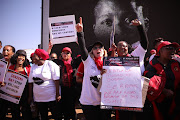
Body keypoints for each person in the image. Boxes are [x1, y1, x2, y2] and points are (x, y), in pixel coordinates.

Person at [110, 19, 148, 120]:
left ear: (128, 48)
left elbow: (144, 43)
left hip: (139, 94)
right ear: (116, 49)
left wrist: (140, 27)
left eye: (125, 46)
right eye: (120, 46)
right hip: (123, 97)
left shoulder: (135, 56)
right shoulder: (114, 62)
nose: (123, 48)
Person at [76, 17, 111, 120]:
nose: (97, 49)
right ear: (92, 51)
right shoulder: (88, 62)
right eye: (95, 48)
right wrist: (80, 33)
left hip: (104, 102)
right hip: (89, 102)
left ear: (103, 50)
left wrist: (108, 73)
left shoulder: (109, 63)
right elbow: (83, 48)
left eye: (100, 47)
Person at [143, 41, 180, 120]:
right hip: (158, 103)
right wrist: (164, 90)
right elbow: (148, 83)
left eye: (174, 49)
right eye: (169, 48)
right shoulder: (152, 65)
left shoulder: (176, 64)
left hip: (175, 101)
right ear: (160, 51)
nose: (172, 51)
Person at [28, 49, 61, 120]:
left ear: (39, 57)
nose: (32, 57)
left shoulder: (50, 64)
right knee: (43, 116)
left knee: (56, 115)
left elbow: (56, 80)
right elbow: (30, 82)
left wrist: (57, 94)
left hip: (51, 96)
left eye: (34, 55)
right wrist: (30, 96)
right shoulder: (33, 66)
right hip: (38, 97)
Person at [53, 47, 77, 120]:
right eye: (64, 52)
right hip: (62, 89)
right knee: (64, 109)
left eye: (68, 53)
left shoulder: (74, 62)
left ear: (70, 54)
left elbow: (84, 55)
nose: (65, 54)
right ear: (61, 54)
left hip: (72, 89)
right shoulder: (58, 62)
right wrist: (50, 48)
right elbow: (46, 59)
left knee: (72, 108)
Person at [8, 50, 32, 120]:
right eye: (19, 56)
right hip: (13, 93)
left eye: (23, 56)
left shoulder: (28, 68)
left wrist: (30, 96)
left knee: (26, 111)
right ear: (16, 57)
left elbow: (30, 83)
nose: (21, 58)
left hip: (25, 93)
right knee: (15, 111)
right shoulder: (11, 67)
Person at [0, 45, 15, 119]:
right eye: (4, 50)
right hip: (1, 93)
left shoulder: (16, 64)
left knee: (15, 113)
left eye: (7, 50)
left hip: (13, 93)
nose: (5, 52)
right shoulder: (0, 63)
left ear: (12, 53)